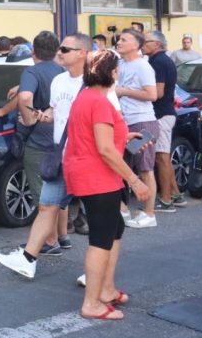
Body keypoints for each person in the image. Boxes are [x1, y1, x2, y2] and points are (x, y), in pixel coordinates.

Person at [63, 49, 151, 320]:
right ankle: (92, 302)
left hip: (93, 173)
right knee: (101, 237)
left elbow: (99, 139)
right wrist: (135, 180)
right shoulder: (99, 101)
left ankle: (106, 290)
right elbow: (104, 149)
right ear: (113, 73)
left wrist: (123, 138)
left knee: (115, 228)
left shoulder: (87, 97)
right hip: (96, 176)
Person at [0, 32, 89, 278]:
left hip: (65, 149)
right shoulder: (61, 77)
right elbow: (54, 108)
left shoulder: (37, 73)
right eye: (61, 49)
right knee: (51, 202)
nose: (62, 53)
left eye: (67, 50)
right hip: (62, 148)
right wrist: (39, 114)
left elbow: (25, 98)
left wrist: (28, 120)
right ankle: (42, 249)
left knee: (53, 200)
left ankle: (62, 249)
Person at [16, 31, 64, 241]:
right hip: (61, 139)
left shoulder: (32, 72)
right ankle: (62, 236)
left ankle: (49, 240)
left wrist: (29, 119)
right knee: (59, 191)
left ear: (33, 51)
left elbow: (25, 96)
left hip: (39, 141)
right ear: (56, 51)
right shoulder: (64, 72)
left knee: (43, 195)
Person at [115, 30, 159, 228]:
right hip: (125, 123)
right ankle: (123, 209)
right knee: (121, 167)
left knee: (145, 168)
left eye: (124, 40)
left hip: (143, 123)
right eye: (120, 39)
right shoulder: (121, 64)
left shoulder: (143, 66)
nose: (119, 42)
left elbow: (152, 94)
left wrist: (124, 91)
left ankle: (149, 213)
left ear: (136, 45)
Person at [144, 31, 185, 210]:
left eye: (147, 41)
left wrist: (138, 94)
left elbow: (158, 93)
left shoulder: (159, 62)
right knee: (163, 157)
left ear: (157, 45)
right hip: (165, 113)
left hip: (161, 114)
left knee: (161, 158)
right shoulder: (159, 60)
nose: (143, 44)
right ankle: (176, 194)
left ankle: (166, 200)